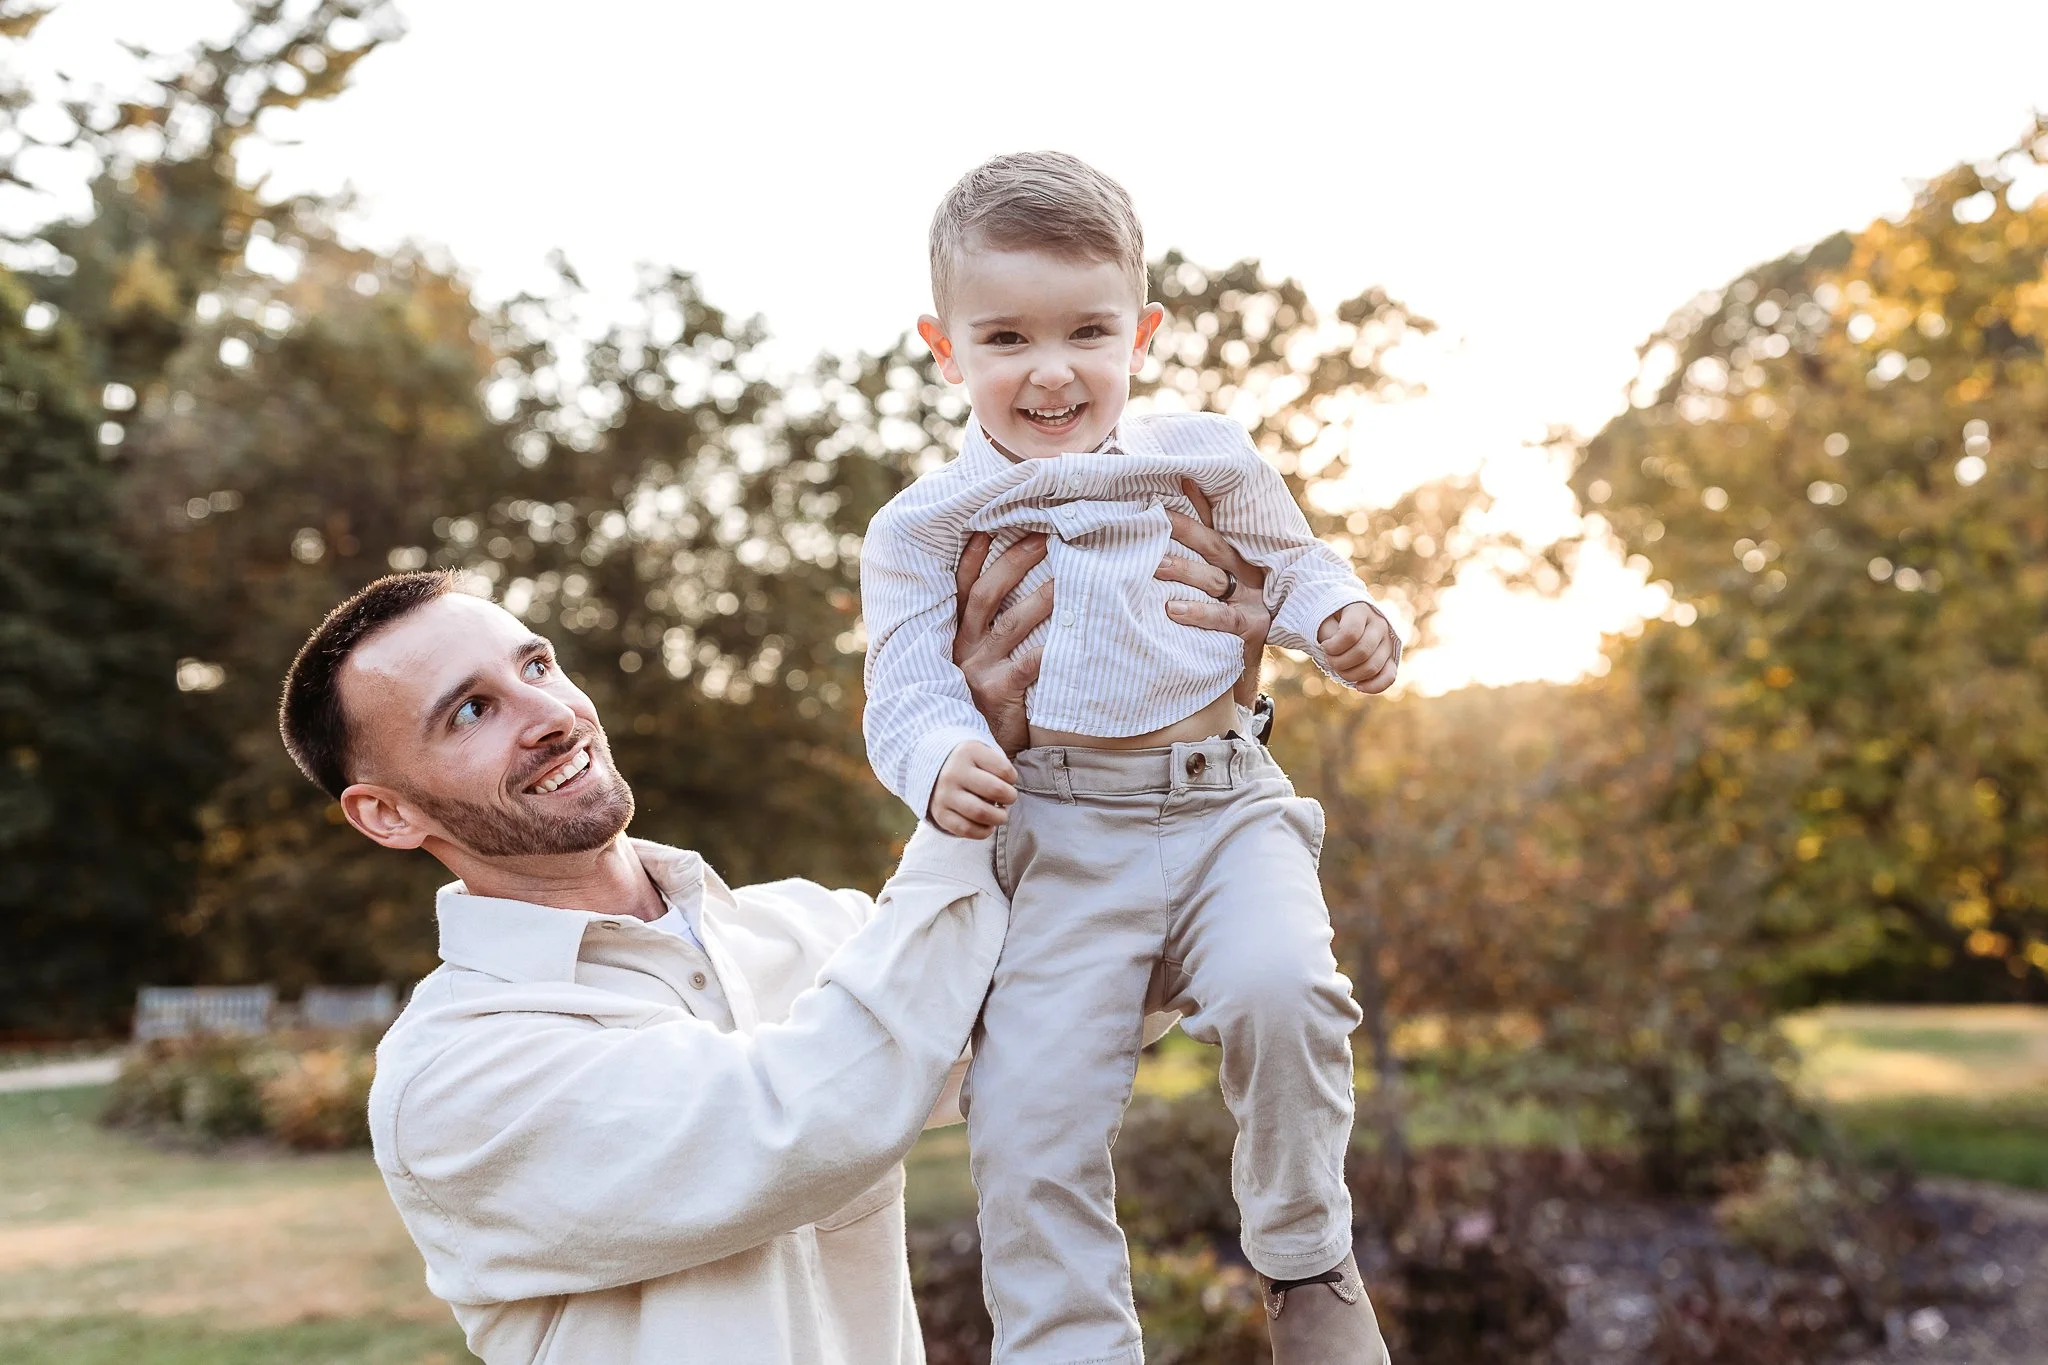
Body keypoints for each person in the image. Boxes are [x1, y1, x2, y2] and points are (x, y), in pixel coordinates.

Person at [274, 524, 1270, 1365]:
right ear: (388, 815)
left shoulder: (799, 928)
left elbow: (1094, 987)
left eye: (535, 664)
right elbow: (800, 1118)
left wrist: (1190, 730)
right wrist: (958, 790)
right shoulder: (452, 1077)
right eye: (472, 711)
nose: (549, 714)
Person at [858, 151, 1400, 1365]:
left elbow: (1292, 568)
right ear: (943, 348)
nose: (1050, 372)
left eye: (1086, 332)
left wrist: (1344, 625)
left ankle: (1306, 1260)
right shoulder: (919, 526)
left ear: (1140, 333)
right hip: (1055, 836)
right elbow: (904, 685)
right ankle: (1064, 1347)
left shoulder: (1201, 455)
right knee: (1025, 1119)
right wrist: (943, 752)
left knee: (1288, 992)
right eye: (1004, 339)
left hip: (1224, 811)